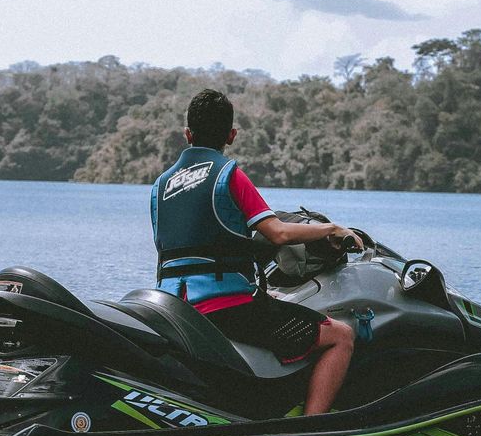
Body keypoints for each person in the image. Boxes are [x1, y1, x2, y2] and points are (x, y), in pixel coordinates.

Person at [151, 89, 361, 416]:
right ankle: (311, 430)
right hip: (224, 309)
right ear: (231, 136)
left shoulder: (160, 186)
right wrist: (330, 229)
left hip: (172, 306)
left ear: (187, 133)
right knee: (342, 336)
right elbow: (277, 233)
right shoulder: (228, 175)